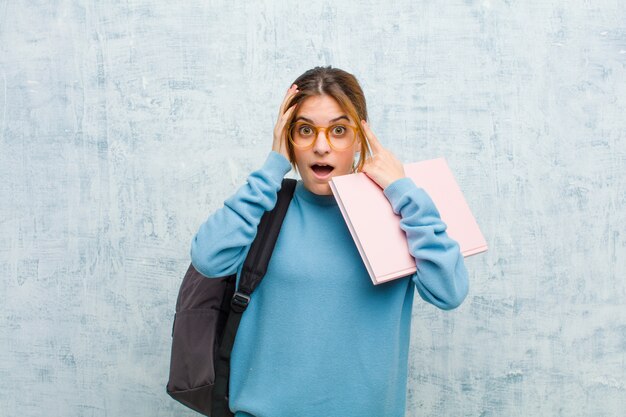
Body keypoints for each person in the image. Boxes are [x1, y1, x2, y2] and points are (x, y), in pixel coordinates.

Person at [190, 66, 469, 417]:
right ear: (288, 138)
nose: (321, 147)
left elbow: (449, 291)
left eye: (339, 131)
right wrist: (272, 168)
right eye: (305, 130)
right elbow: (207, 258)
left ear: (360, 138)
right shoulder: (266, 206)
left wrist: (403, 191)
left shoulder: (397, 211)